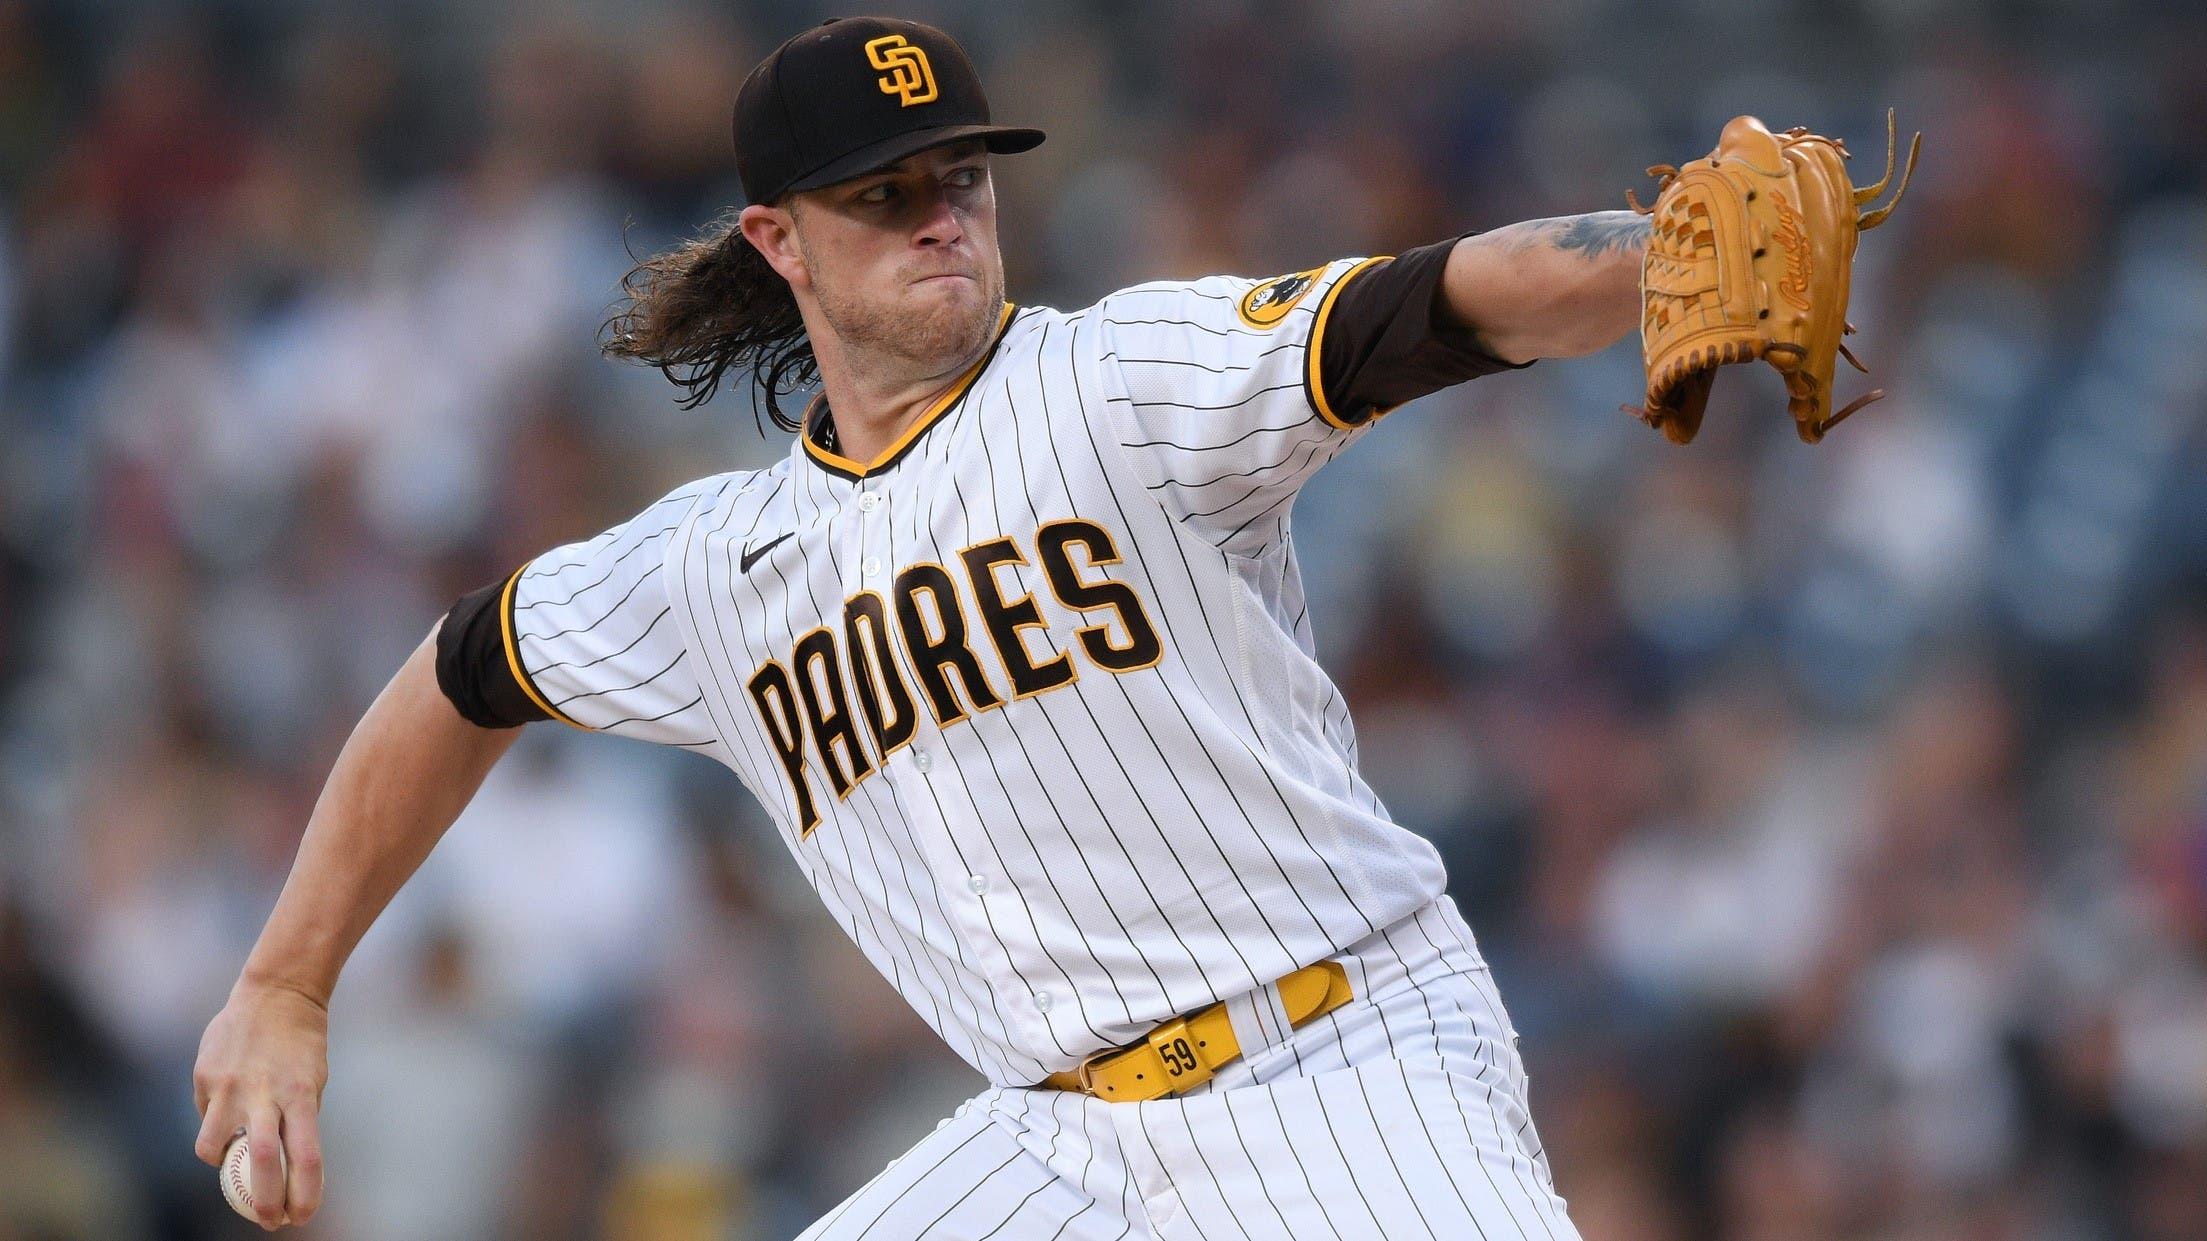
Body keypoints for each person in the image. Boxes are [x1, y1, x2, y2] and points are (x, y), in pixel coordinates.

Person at [194, 16, 1649, 1236]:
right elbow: (462, 673)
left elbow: (1438, 303)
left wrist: (1650, 251)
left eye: (960, 177)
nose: (941, 214)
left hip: (1339, 1055)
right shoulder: (712, 567)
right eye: (885, 195)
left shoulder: (1120, 381)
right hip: (1061, 1145)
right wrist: (285, 978)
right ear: (781, 241)